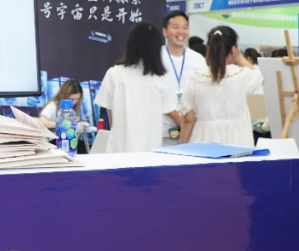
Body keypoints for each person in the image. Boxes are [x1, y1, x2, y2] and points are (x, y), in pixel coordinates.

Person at [96, 22, 182, 153]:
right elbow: (169, 109)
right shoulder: (164, 78)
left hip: (119, 151)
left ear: (130, 44)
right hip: (150, 150)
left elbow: (111, 113)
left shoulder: (114, 74)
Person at [179, 26, 263, 147]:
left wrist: (182, 146)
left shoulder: (196, 78)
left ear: (209, 48)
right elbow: (260, 77)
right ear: (233, 49)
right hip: (237, 142)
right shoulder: (241, 75)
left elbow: (188, 118)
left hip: (202, 141)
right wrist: (239, 58)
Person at [160, 11, 207, 144]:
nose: (181, 31)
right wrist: (177, 117)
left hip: (192, 131)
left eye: (185, 27)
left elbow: (203, 93)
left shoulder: (198, 59)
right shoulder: (156, 57)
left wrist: (188, 121)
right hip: (161, 131)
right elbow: (152, 93)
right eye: (176, 27)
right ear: (165, 32)